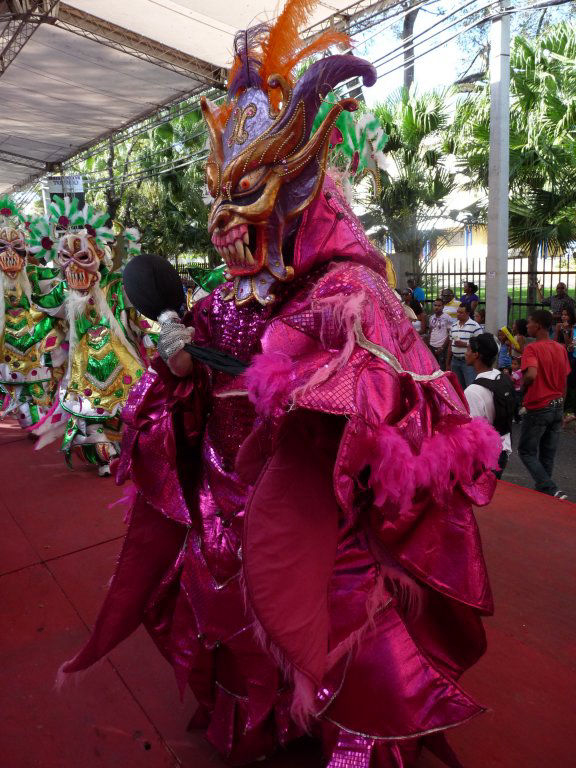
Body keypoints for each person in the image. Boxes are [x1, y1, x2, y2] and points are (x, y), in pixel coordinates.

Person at [59, 10, 502, 768]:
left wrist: (310, 386)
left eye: (250, 189)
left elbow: (395, 418)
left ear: (300, 191)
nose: (225, 216)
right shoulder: (223, 301)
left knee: (343, 645)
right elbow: (178, 401)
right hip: (226, 520)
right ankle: (267, 728)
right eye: (219, 194)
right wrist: (179, 370)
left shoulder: (352, 293)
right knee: (236, 629)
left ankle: (355, 743)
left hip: (321, 527)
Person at [29, 202, 153, 476]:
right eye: (65, 258)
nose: (73, 267)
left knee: (130, 408)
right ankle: (106, 455)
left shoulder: (116, 287)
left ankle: (134, 451)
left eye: (82, 257)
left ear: (100, 257)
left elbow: (139, 316)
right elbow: (41, 302)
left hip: (121, 361)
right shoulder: (64, 292)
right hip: (84, 365)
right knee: (91, 412)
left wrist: (152, 338)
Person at [0, 195, 67, 430]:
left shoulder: (35, 275)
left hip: (33, 337)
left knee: (37, 386)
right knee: (16, 390)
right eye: (2, 248)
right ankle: (31, 420)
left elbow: (58, 288)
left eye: (16, 248)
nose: (9, 254)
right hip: (4, 341)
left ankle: (38, 422)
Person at [518, 310, 571, 499]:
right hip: (557, 405)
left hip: (539, 406)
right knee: (547, 454)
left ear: (538, 326)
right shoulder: (560, 348)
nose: (526, 325)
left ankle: (550, 489)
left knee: (526, 451)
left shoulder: (531, 349)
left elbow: (531, 375)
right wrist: (561, 405)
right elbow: (564, 380)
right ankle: (546, 496)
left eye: (529, 322)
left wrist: (522, 390)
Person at [464, 333, 513, 478]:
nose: (466, 354)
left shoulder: (473, 391)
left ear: (476, 355)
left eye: (468, 350)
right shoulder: (501, 377)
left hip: (486, 457)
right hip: (503, 449)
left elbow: (473, 432)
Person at [447, 303, 482, 389]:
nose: (458, 314)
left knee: (470, 386)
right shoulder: (454, 326)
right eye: (458, 312)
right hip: (455, 361)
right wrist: (448, 362)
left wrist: (465, 344)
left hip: (468, 362)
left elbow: (480, 344)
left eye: (461, 312)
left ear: (468, 313)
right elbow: (450, 344)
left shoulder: (475, 326)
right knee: (457, 387)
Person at [553, 306, 576, 424]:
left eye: (566, 315)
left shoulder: (572, 328)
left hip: (569, 355)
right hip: (559, 353)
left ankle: (565, 406)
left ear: (571, 316)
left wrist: (566, 331)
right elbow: (556, 340)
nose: (563, 317)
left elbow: (569, 344)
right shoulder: (558, 326)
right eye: (562, 314)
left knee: (567, 380)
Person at [428, 297, 452, 369]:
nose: (437, 307)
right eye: (435, 305)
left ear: (443, 306)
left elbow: (450, 334)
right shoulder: (431, 317)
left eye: (439, 306)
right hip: (432, 346)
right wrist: (429, 344)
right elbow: (430, 331)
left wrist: (442, 347)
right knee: (433, 368)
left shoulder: (447, 317)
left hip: (441, 347)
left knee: (442, 368)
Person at [510, 357, 524, 421]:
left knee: (515, 405)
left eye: (515, 364)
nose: (512, 365)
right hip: (519, 390)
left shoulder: (516, 373)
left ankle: (518, 418)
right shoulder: (520, 371)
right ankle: (518, 417)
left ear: (520, 365)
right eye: (512, 363)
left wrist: (506, 374)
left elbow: (511, 381)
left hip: (516, 391)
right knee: (516, 405)